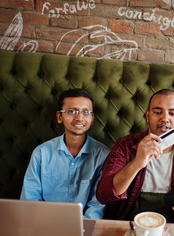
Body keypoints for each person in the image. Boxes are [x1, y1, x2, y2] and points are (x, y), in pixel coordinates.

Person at [96, 89, 174, 224]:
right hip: (128, 224)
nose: (165, 118)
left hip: (172, 225)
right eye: (157, 112)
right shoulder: (124, 145)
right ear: (148, 115)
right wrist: (137, 162)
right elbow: (104, 196)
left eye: (172, 113)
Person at [20, 88, 110, 219]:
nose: (79, 118)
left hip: (84, 227)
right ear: (59, 117)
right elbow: (29, 200)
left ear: (92, 118)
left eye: (86, 112)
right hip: (43, 223)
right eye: (72, 111)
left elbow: (96, 207)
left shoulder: (103, 155)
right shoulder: (41, 153)